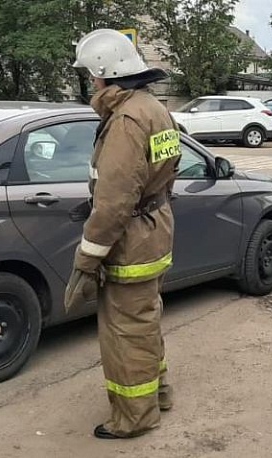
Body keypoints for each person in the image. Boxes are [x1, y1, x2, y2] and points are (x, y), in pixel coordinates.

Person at [65, 28, 182, 440]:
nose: (90, 84)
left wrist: (86, 261)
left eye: (91, 76)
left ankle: (134, 417)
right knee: (144, 321)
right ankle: (158, 395)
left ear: (104, 74)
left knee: (125, 331)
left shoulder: (127, 119)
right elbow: (164, 172)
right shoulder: (153, 108)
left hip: (130, 243)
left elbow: (114, 201)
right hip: (154, 232)